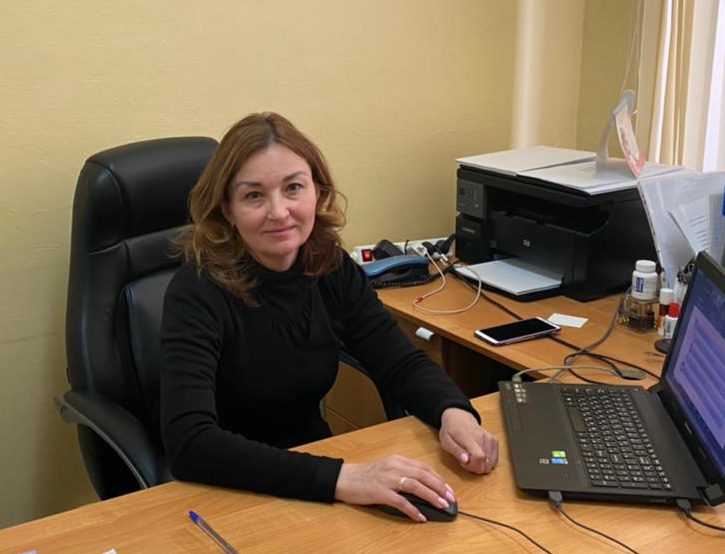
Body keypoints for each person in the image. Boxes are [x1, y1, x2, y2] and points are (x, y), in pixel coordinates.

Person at [160, 113, 499, 521]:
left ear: (317, 193)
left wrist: (453, 411)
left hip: (314, 469)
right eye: (253, 195)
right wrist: (343, 478)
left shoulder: (329, 266)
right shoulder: (197, 289)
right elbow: (190, 443)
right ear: (227, 209)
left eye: (293, 188)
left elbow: (399, 362)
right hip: (226, 491)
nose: (279, 211)